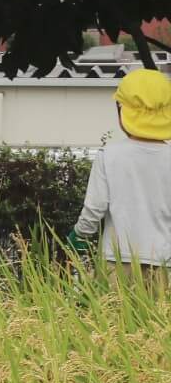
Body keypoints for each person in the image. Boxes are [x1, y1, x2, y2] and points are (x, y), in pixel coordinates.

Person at [70, 68, 171, 272]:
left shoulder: (109, 156)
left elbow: (95, 208)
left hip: (115, 261)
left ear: (121, 109)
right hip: (164, 261)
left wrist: (79, 236)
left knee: (112, 306)